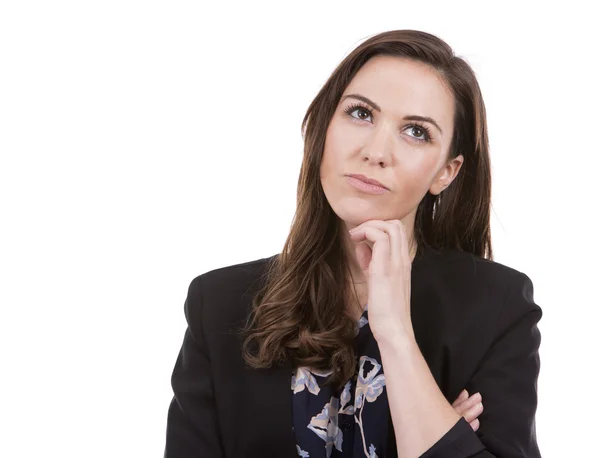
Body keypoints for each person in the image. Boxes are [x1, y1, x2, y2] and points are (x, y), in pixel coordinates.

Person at [163, 29, 543, 458]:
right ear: (324, 127)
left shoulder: (495, 307)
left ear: (446, 172)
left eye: (416, 132)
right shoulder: (218, 303)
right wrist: (442, 432)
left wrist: (396, 335)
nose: (376, 150)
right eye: (361, 113)